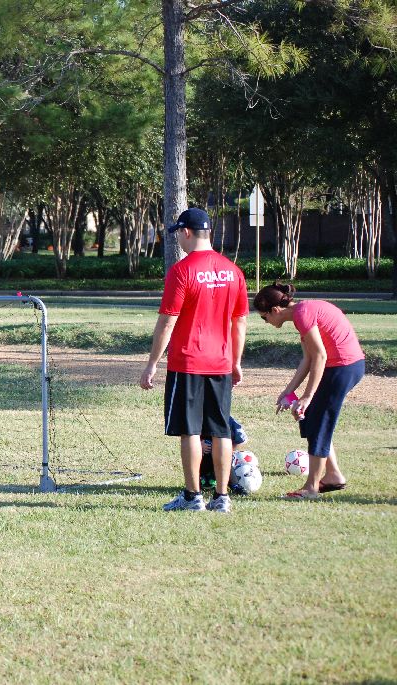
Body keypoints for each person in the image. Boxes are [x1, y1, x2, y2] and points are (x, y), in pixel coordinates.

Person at [139, 208, 248, 513]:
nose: (178, 238)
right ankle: (222, 498)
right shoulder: (233, 271)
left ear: (186, 232)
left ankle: (192, 496)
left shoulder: (182, 270)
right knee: (221, 430)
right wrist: (236, 361)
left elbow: (167, 321)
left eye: (178, 233)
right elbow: (240, 321)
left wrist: (152, 364)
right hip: (221, 362)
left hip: (188, 362)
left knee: (191, 430)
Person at [252, 283, 364, 500]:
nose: (266, 322)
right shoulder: (302, 313)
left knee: (320, 422)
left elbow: (320, 356)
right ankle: (333, 475)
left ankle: (311, 487)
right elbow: (308, 359)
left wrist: (307, 396)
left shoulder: (303, 314)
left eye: (265, 318)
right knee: (311, 417)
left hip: (343, 367)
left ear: (275, 310)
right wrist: (288, 391)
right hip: (341, 367)